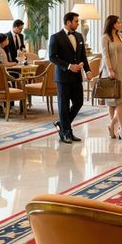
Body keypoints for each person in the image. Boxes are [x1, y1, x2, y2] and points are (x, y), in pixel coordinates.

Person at [48, 11, 91, 144]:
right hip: (63, 77)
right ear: (68, 22)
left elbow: (83, 56)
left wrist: (87, 70)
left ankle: (62, 125)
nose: (78, 23)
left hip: (77, 77)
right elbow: (52, 57)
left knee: (79, 102)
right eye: (76, 21)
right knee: (64, 106)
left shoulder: (79, 36)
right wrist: (68, 66)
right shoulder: (56, 37)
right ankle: (66, 133)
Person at [100, 14, 122, 140]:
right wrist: (110, 69)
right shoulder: (105, 37)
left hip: (121, 70)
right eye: (118, 22)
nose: (120, 24)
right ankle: (120, 129)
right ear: (112, 24)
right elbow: (105, 55)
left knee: (121, 100)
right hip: (110, 71)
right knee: (113, 102)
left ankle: (112, 125)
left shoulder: (121, 36)